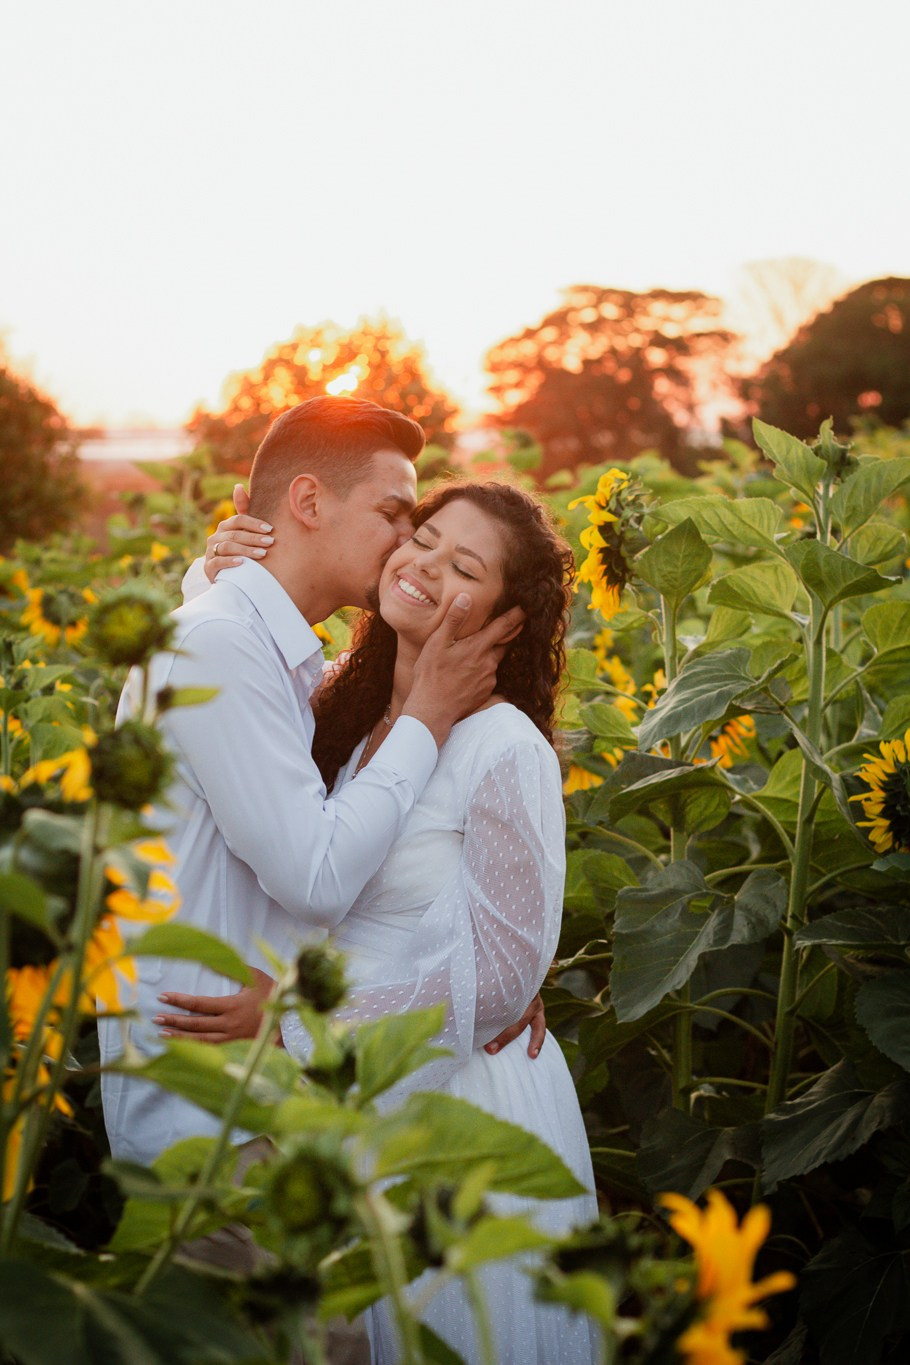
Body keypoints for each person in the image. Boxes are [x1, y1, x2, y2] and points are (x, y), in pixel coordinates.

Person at [157, 480, 600, 1364]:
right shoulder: (335, 707)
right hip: (335, 1113)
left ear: (509, 620)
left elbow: (506, 977)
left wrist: (290, 1026)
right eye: (423, 538)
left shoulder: (502, 746)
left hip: (454, 1113)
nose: (424, 566)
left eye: (463, 566)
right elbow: (232, 670)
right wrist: (211, 576)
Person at [98, 397, 536, 1174]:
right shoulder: (226, 647)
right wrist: (429, 714)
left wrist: (492, 972)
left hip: (294, 1110)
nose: (408, 547)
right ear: (308, 501)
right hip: (212, 1124)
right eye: (400, 518)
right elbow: (320, 874)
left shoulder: (303, 673)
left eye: (454, 558)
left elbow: (479, 935)